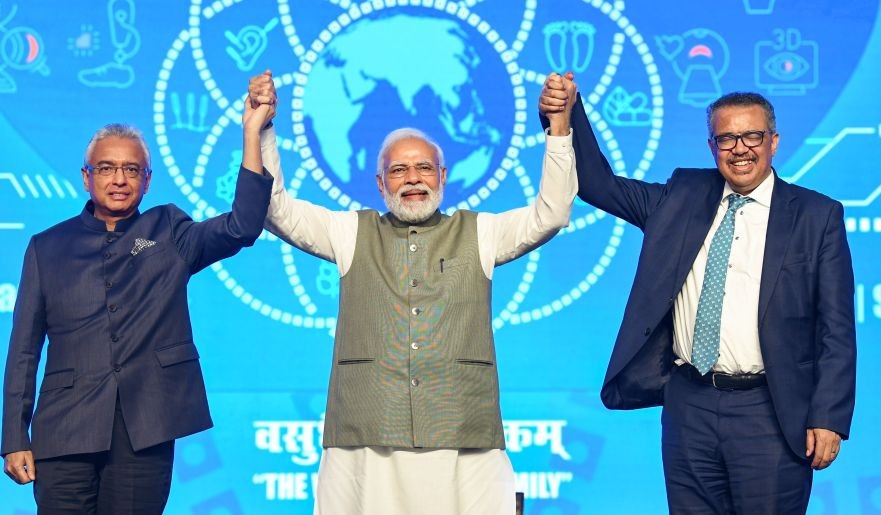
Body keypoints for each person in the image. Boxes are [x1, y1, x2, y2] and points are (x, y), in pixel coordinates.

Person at [248, 70, 577, 514]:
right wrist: (264, 128)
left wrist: (558, 126)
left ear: (442, 176)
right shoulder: (349, 232)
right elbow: (276, 209)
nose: (413, 178)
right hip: (366, 434)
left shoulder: (481, 232)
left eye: (424, 167)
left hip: (462, 430)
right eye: (398, 170)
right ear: (381, 184)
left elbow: (552, 213)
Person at [540, 73, 856, 513]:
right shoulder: (681, 196)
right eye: (726, 138)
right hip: (689, 404)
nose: (740, 148)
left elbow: (836, 327)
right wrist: (567, 114)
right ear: (712, 147)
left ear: (774, 142)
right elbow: (598, 185)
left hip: (770, 410)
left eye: (752, 136)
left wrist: (828, 417)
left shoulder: (816, 215)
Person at [1, 94, 276, 512]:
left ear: (147, 180)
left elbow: (242, 225)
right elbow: (23, 350)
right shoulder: (46, 247)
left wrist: (252, 132)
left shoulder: (168, 231)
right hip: (63, 429)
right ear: (86, 177)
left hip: (143, 431)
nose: (119, 179)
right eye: (106, 168)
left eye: (132, 169)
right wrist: (14, 438)